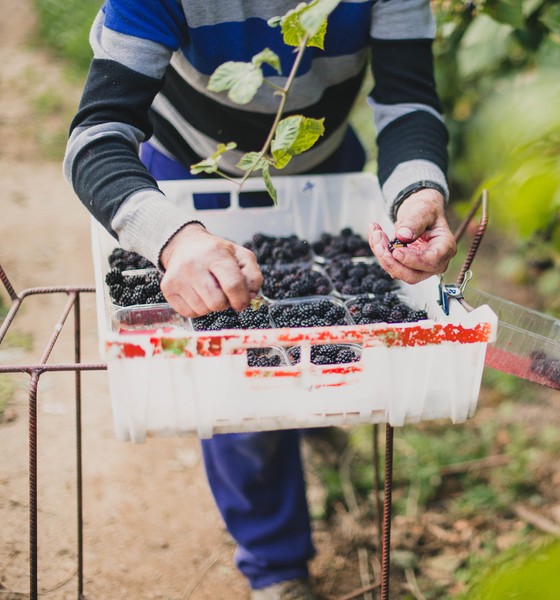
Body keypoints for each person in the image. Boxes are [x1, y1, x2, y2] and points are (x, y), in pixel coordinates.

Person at [64, 1, 455, 598]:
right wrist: (174, 239)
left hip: (324, 166)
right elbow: (95, 138)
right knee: (238, 375)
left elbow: (408, 103)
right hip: (184, 180)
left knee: (324, 345)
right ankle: (276, 566)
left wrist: (417, 192)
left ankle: (316, 419)